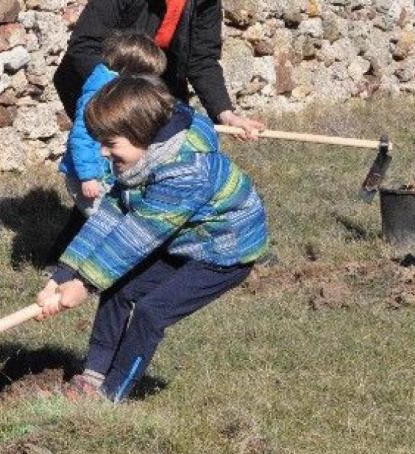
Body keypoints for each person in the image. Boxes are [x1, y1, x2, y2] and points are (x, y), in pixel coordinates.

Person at [37, 76, 269, 402]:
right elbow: (111, 213)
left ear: (140, 133)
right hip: (186, 237)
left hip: (225, 251)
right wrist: (64, 274)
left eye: (110, 142)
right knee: (118, 288)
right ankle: (93, 376)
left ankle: (112, 394)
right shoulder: (140, 158)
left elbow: (136, 237)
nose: (102, 151)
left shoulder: (186, 172)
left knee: (151, 313)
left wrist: (84, 285)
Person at [53, 0, 265, 139]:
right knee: (107, 163)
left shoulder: (205, 2)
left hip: (157, 80)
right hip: (99, 82)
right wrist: (126, 97)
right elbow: (84, 47)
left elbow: (202, 60)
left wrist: (226, 115)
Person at [59, 31, 167, 218]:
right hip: (89, 176)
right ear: (131, 71)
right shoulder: (99, 94)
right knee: (106, 220)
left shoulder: (115, 88)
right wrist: (88, 176)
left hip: (106, 172)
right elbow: (81, 136)